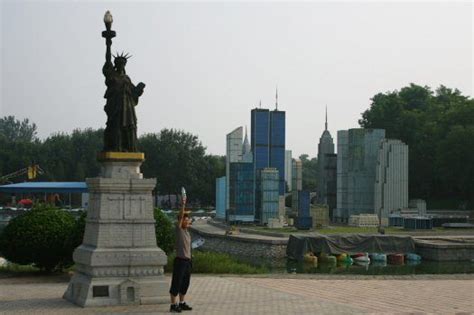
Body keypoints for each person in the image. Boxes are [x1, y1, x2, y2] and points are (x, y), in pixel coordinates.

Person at [169, 207, 193, 313]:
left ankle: (182, 303)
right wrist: (183, 205)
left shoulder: (187, 232)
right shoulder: (179, 231)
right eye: (185, 220)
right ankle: (173, 305)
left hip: (187, 262)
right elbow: (180, 218)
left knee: (185, 283)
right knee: (176, 283)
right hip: (180, 261)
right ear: (181, 220)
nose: (187, 221)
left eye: (188, 220)